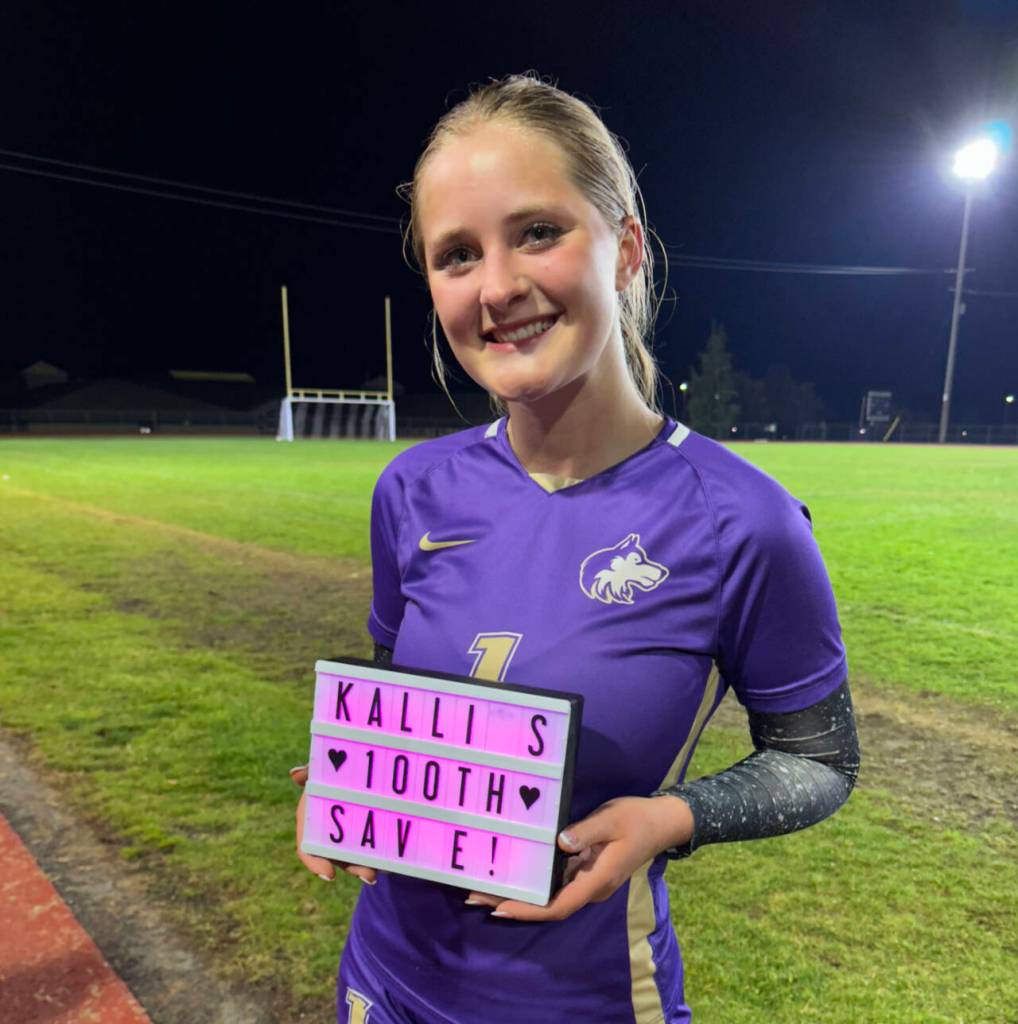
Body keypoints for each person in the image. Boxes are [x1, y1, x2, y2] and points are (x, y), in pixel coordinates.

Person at [293, 73, 860, 1024]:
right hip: (382, 980)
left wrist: (670, 820)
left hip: (583, 1002)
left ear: (625, 249)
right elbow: (411, 709)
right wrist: (357, 778)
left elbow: (820, 758)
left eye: (538, 233)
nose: (499, 286)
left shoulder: (744, 521)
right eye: (457, 254)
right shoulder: (412, 491)